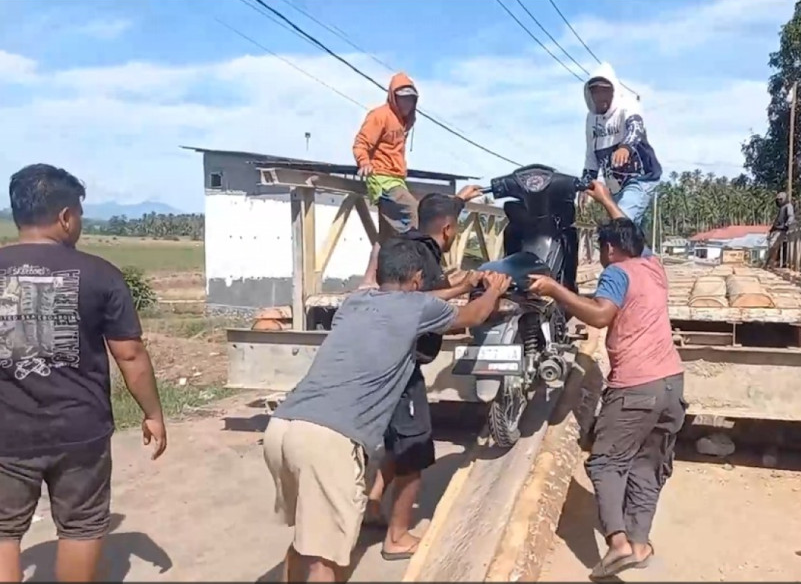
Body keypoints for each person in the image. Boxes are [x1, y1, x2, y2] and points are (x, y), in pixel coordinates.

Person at [263, 238, 510, 582]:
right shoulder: (419, 308)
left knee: (307, 540)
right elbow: (474, 315)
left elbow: (396, 293)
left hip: (283, 427)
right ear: (417, 280)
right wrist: (492, 290)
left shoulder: (356, 301)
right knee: (325, 560)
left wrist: (457, 285)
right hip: (326, 441)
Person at [0, 164, 167, 582]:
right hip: (79, 432)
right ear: (66, 217)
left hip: (1, 434)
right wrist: (153, 414)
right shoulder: (101, 274)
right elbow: (131, 355)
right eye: (79, 213)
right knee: (81, 526)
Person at [528, 180, 684, 580]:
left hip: (636, 387)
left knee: (606, 463)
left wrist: (553, 289)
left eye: (601, 248)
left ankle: (616, 545)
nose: (600, 256)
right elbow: (630, 232)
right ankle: (640, 543)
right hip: (671, 384)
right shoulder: (653, 266)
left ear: (610, 250)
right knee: (648, 466)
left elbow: (599, 316)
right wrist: (607, 201)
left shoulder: (616, 272)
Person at [359, 186, 485, 561]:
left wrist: (459, 200)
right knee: (415, 449)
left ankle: (372, 502)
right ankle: (397, 536)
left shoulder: (404, 246)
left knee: (394, 441)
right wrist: (485, 295)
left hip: (379, 364)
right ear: (447, 231)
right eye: (455, 228)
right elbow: (437, 310)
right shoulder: (427, 260)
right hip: (403, 367)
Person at [581, 62, 662, 228]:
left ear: (614, 91)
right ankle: (645, 255)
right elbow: (591, 157)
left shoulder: (627, 105)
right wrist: (585, 186)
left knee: (620, 227)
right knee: (629, 236)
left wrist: (625, 147)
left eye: (604, 90)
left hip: (640, 179)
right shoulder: (591, 119)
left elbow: (636, 126)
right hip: (615, 187)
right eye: (594, 91)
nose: (599, 96)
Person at [353, 72, 421, 241]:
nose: (407, 103)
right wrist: (364, 162)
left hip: (396, 179)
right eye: (403, 98)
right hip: (382, 179)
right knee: (414, 212)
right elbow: (361, 142)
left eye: (411, 99)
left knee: (386, 239)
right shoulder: (380, 115)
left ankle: (377, 268)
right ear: (393, 96)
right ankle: (418, 263)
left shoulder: (402, 122)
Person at [765, 192, 795, 268]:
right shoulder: (782, 207)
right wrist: (771, 230)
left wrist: (787, 224)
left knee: (773, 246)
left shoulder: (788, 206)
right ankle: (771, 263)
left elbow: (791, 216)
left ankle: (772, 262)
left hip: (782, 230)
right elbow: (777, 220)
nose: (779, 201)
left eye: (780, 199)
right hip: (777, 229)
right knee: (773, 246)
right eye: (778, 200)